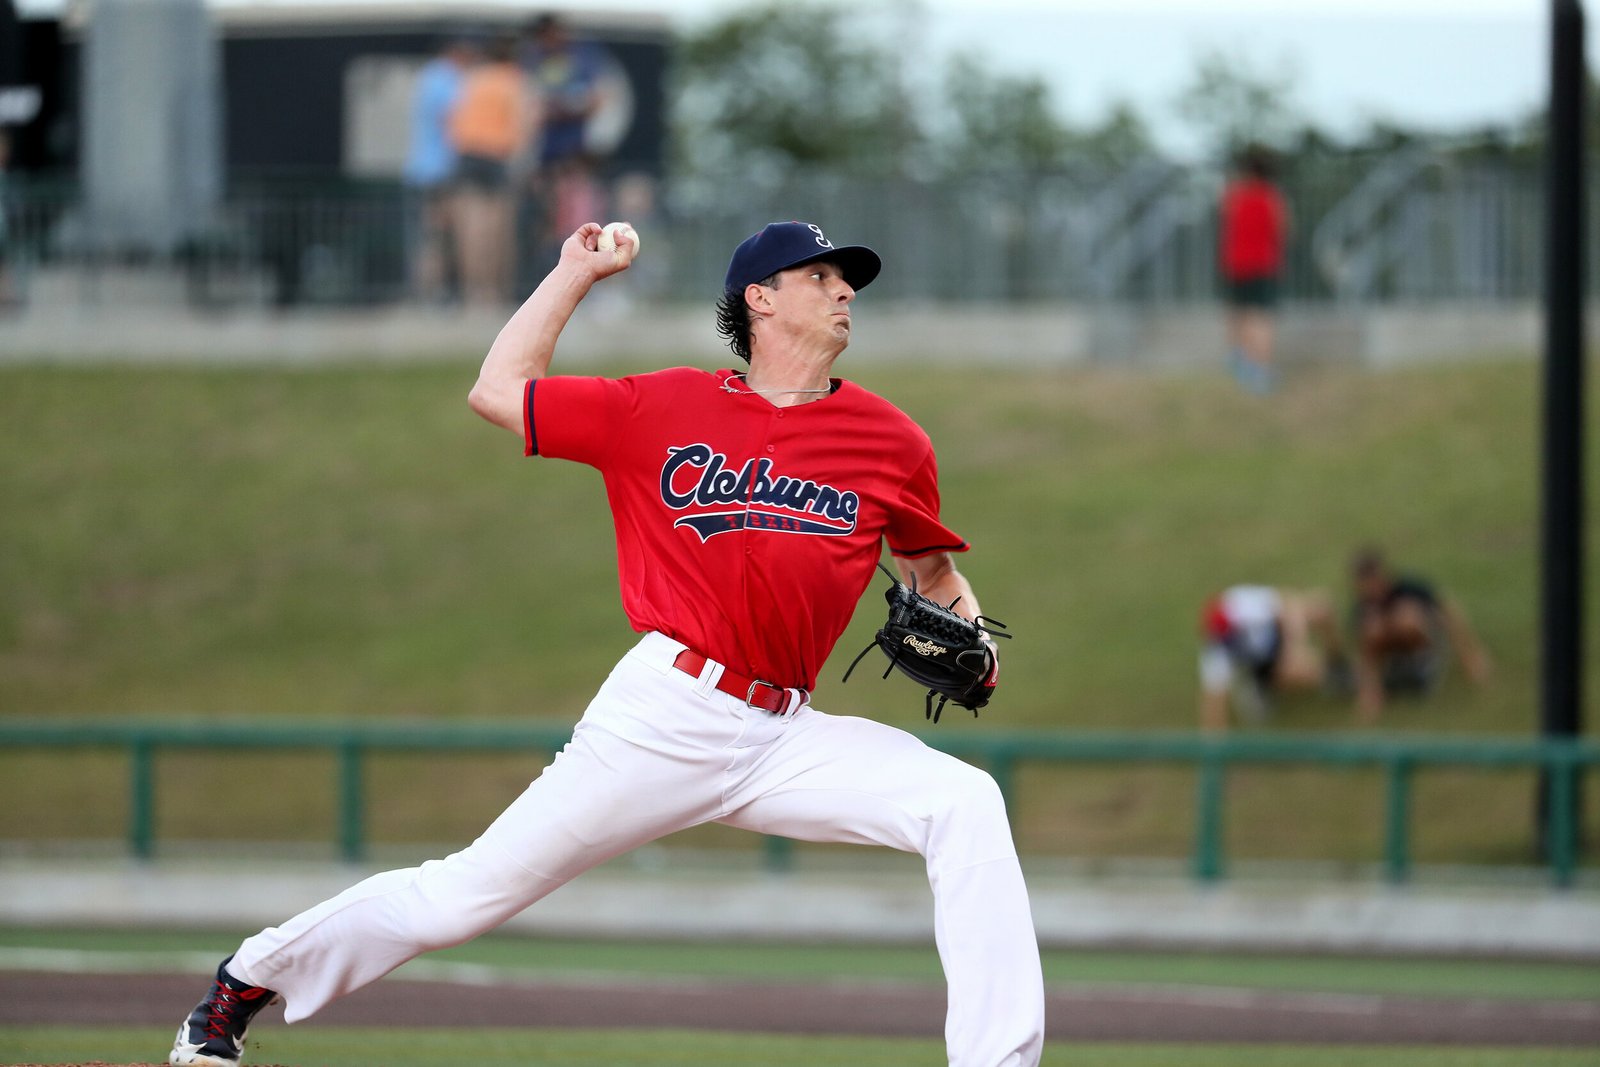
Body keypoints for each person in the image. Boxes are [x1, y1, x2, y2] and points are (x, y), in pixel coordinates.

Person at [166, 220, 1046, 1067]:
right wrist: (574, 275)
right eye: (820, 276)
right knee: (467, 894)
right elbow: (498, 389)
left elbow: (931, 572)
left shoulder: (892, 441)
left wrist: (974, 632)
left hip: (786, 734)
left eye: (844, 278)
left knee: (962, 802)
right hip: (665, 713)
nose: (844, 290)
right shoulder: (661, 404)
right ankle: (241, 988)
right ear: (761, 300)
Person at [1349, 547, 1491, 723]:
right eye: (1365, 583)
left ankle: (1423, 664)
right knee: (1371, 626)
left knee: (1406, 616)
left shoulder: (1409, 587)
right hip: (1392, 652)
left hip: (1425, 642)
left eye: (1374, 580)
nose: (1372, 588)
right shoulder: (1363, 606)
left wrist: (1471, 656)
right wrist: (1368, 691)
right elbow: (1362, 649)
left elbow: (1449, 613)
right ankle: (1391, 677)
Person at [447, 33, 535, 307]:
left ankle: (473, 294)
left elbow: (452, 118)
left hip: (467, 154)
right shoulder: (514, 80)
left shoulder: (472, 79)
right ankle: (497, 294)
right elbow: (526, 121)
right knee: (500, 230)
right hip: (498, 156)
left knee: (470, 231)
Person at [1198, 584, 1346, 730]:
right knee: (1305, 673)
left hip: (1280, 635)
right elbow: (1215, 699)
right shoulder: (1216, 651)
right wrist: (1214, 745)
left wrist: (1296, 649)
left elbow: (1288, 604)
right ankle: (1259, 690)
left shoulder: (1241, 605)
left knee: (1322, 607)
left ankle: (1337, 661)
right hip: (1263, 665)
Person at [401, 34, 478, 304]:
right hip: (439, 172)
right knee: (436, 236)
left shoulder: (427, 76)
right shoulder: (449, 80)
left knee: (426, 235)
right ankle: (431, 295)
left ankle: (426, 293)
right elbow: (452, 121)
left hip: (420, 169)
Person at [1217, 145, 1290, 394]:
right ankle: (1259, 370)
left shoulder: (1234, 195)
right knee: (1260, 318)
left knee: (1239, 315)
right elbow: (1284, 229)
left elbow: (1224, 214)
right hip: (1263, 265)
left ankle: (1241, 361)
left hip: (1235, 264)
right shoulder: (1271, 197)